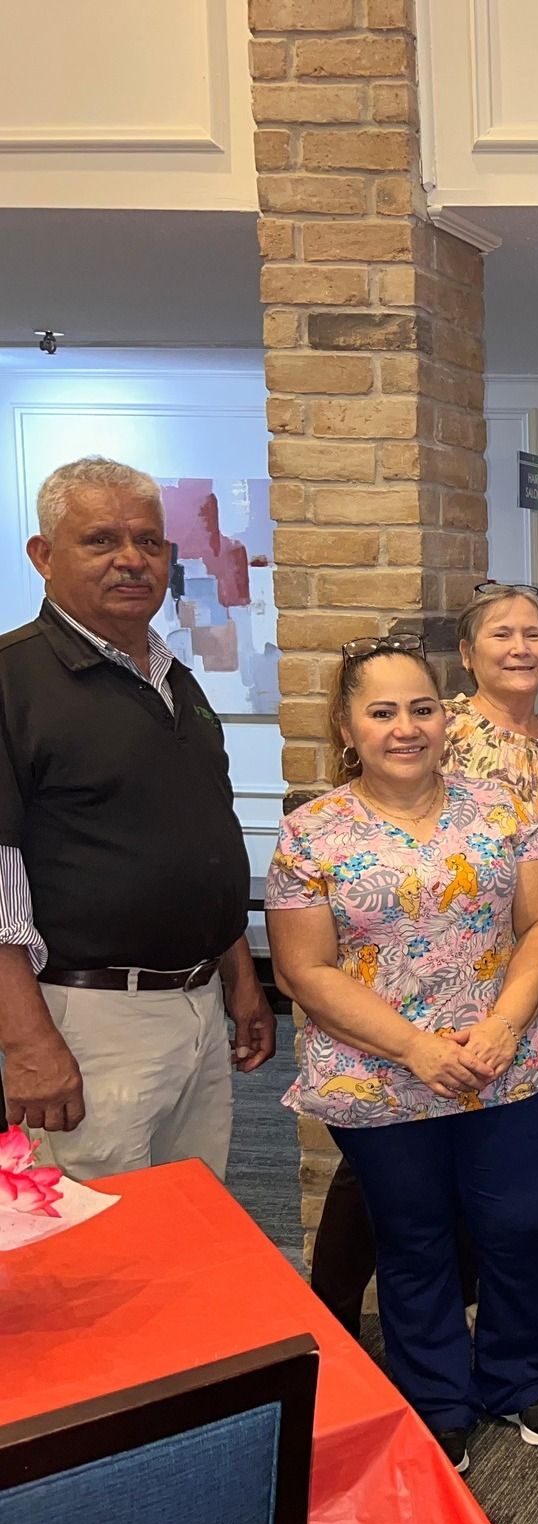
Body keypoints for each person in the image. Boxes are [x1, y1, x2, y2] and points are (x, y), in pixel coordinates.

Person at [267, 634, 538, 1474]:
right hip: (380, 1081)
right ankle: (435, 1396)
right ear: (346, 725)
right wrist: (415, 1049)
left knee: (517, 1226)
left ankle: (516, 1376)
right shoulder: (310, 837)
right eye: (382, 712)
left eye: (423, 708)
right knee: (414, 1238)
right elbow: (303, 967)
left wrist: (506, 1025)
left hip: (503, 1064)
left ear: (445, 717)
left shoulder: (501, 811)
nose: (406, 728)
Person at [309, 582, 538, 1336]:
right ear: (467, 654)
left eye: (534, 634)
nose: (520, 648)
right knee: (388, 1192)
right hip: (404, 1005)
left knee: (497, 1187)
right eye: (501, 634)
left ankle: (476, 1315)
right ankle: (336, 1324)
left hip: (508, 990)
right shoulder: (440, 731)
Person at [0, 456, 274, 1179]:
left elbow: (197, 838)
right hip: (86, 1019)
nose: (131, 560)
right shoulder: (11, 683)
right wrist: (28, 1043)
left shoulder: (174, 679)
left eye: (149, 542)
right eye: (100, 541)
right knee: (97, 1254)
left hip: (196, 1005)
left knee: (190, 1225)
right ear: (43, 555)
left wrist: (240, 974)